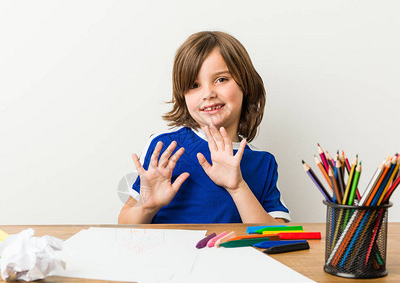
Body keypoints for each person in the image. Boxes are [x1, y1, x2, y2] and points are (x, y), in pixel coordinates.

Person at [118, 31, 290, 224]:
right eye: (194, 85)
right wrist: (149, 207)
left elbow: (279, 233)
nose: (208, 93)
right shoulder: (164, 146)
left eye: (221, 79)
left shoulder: (263, 162)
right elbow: (125, 222)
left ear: (246, 84)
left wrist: (238, 187)